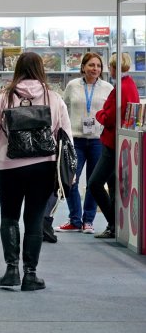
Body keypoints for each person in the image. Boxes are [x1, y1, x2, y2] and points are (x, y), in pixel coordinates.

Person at [0, 52, 72, 292]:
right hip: (44, 166)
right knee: (34, 219)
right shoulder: (54, 98)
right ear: (41, 69)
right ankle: (31, 274)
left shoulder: (3, 98)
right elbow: (66, 138)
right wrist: (67, 172)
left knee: (9, 217)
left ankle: (11, 270)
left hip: (9, 166)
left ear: (17, 69)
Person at [58, 53, 113, 233]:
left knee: (93, 183)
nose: (94, 68)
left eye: (98, 65)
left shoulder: (108, 87)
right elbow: (64, 109)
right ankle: (75, 219)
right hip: (76, 140)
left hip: (98, 140)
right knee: (70, 179)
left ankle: (88, 220)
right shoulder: (72, 85)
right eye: (91, 65)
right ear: (83, 67)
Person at [88, 52, 140, 240]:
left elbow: (109, 117)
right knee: (112, 184)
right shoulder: (130, 84)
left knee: (94, 184)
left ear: (113, 67)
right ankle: (113, 225)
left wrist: (100, 114)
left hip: (111, 142)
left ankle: (114, 222)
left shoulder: (120, 88)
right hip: (118, 142)